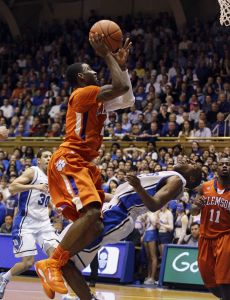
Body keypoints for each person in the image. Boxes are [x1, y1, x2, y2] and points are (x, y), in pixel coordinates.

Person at [35, 33, 133, 296]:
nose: (95, 72)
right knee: (90, 214)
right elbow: (121, 88)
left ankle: (63, 265)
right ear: (81, 77)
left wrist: (121, 66)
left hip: (84, 164)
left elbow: (126, 98)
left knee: (96, 225)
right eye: (90, 70)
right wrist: (108, 55)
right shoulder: (83, 93)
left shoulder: (96, 97)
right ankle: (53, 263)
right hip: (70, 159)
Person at [44, 164, 202, 300]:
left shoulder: (178, 180)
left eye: (191, 164)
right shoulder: (169, 175)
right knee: (65, 258)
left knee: (65, 258)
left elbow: (154, 205)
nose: (186, 161)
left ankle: (58, 275)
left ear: (192, 177)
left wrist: (138, 187)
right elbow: (117, 197)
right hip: (114, 208)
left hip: (120, 215)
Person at [0, 149, 59, 300]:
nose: (48, 158)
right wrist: (34, 186)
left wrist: (55, 207)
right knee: (28, 263)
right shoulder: (33, 171)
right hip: (25, 223)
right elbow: (13, 187)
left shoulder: (52, 177)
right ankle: (4, 278)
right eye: (45, 156)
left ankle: (63, 293)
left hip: (44, 223)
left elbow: (45, 198)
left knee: (56, 257)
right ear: (38, 160)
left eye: (50, 157)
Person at [192, 157, 230, 300]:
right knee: (209, 280)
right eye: (222, 164)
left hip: (225, 237)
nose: (225, 166)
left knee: (224, 280)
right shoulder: (204, 187)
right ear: (216, 168)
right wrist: (196, 204)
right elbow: (193, 211)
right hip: (206, 238)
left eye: (228, 164)